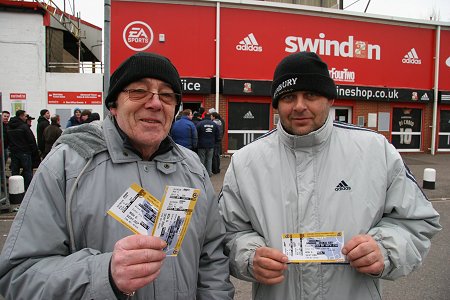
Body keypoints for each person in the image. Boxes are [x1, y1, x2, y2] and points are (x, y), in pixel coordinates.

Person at [0, 52, 234, 300]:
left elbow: (212, 258)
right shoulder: (68, 164)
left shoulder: (192, 167)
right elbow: (18, 276)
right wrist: (104, 275)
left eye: (166, 95)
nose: (155, 103)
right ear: (113, 105)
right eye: (138, 91)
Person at [218, 51, 441, 299]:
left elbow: (418, 221)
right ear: (277, 104)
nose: (300, 105)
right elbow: (225, 233)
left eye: (311, 95)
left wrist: (385, 249)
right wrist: (249, 257)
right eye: (289, 96)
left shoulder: (376, 151)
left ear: (330, 99)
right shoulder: (245, 162)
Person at [5, 110, 39, 191]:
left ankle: (15, 190)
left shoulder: (9, 126)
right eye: (25, 116)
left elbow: (6, 140)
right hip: (25, 152)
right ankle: (28, 190)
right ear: (21, 116)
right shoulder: (24, 126)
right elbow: (31, 140)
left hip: (13, 152)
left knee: (15, 172)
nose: (26, 118)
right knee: (28, 171)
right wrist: (35, 152)